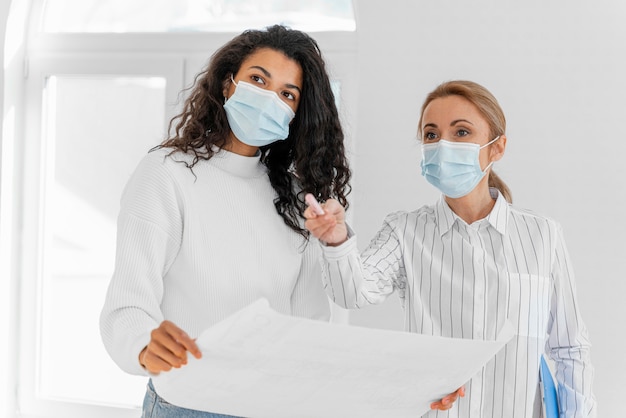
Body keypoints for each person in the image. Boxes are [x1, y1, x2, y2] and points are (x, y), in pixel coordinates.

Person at [99, 24, 351, 418]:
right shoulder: (166, 174)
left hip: (276, 404)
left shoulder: (297, 198)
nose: (270, 98)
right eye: (258, 79)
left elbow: (314, 325)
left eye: (287, 94)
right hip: (191, 403)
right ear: (227, 84)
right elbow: (127, 304)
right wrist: (143, 346)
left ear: (296, 115)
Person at [304, 80, 596, 417]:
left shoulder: (542, 235)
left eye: (461, 133)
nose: (443, 144)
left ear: (496, 148)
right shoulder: (404, 231)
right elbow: (352, 293)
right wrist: (337, 240)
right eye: (431, 134)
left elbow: (570, 348)